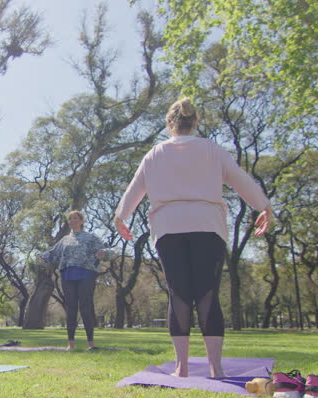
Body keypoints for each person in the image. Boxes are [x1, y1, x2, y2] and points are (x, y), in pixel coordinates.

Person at [113, 97, 273, 378]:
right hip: (207, 226)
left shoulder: (155, 153)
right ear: (195, 122)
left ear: (169, 123)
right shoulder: (212, 150)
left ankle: (181, 368)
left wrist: (120, 217)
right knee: (207, 293)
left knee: (179, 294)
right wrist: (264, 206)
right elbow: (240, 179)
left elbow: (135, 189)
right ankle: (215, 368)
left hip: (168, 228)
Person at [39, 210, 111, 350]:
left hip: (86, 274)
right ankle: (70, 344)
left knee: (86, 308)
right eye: (70, 219)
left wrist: (104, 253)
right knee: (71, 309)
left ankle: (91, 344)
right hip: (68, 275)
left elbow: (105, 250)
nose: (72, 221)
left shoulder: (90, 237)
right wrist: (42, 257)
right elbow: (53, 253)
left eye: (75, 218)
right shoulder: (65, 240)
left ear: (82, 221)